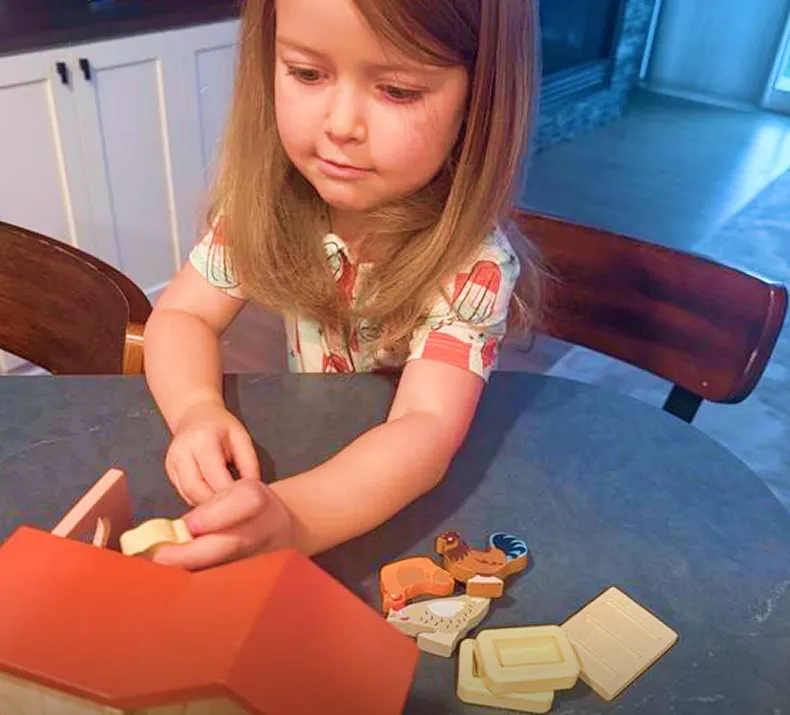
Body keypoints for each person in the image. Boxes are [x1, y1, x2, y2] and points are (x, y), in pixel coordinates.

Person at [143, 0, 541, 570]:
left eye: (397, 90)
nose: (340, 126)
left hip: (399, 513)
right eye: (307, 73)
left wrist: (294, 518)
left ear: (481, 100)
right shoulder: (269, 207)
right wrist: (196, 410)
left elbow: (423, 427)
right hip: (306, 439)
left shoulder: (474, 266)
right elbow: (183, 316)